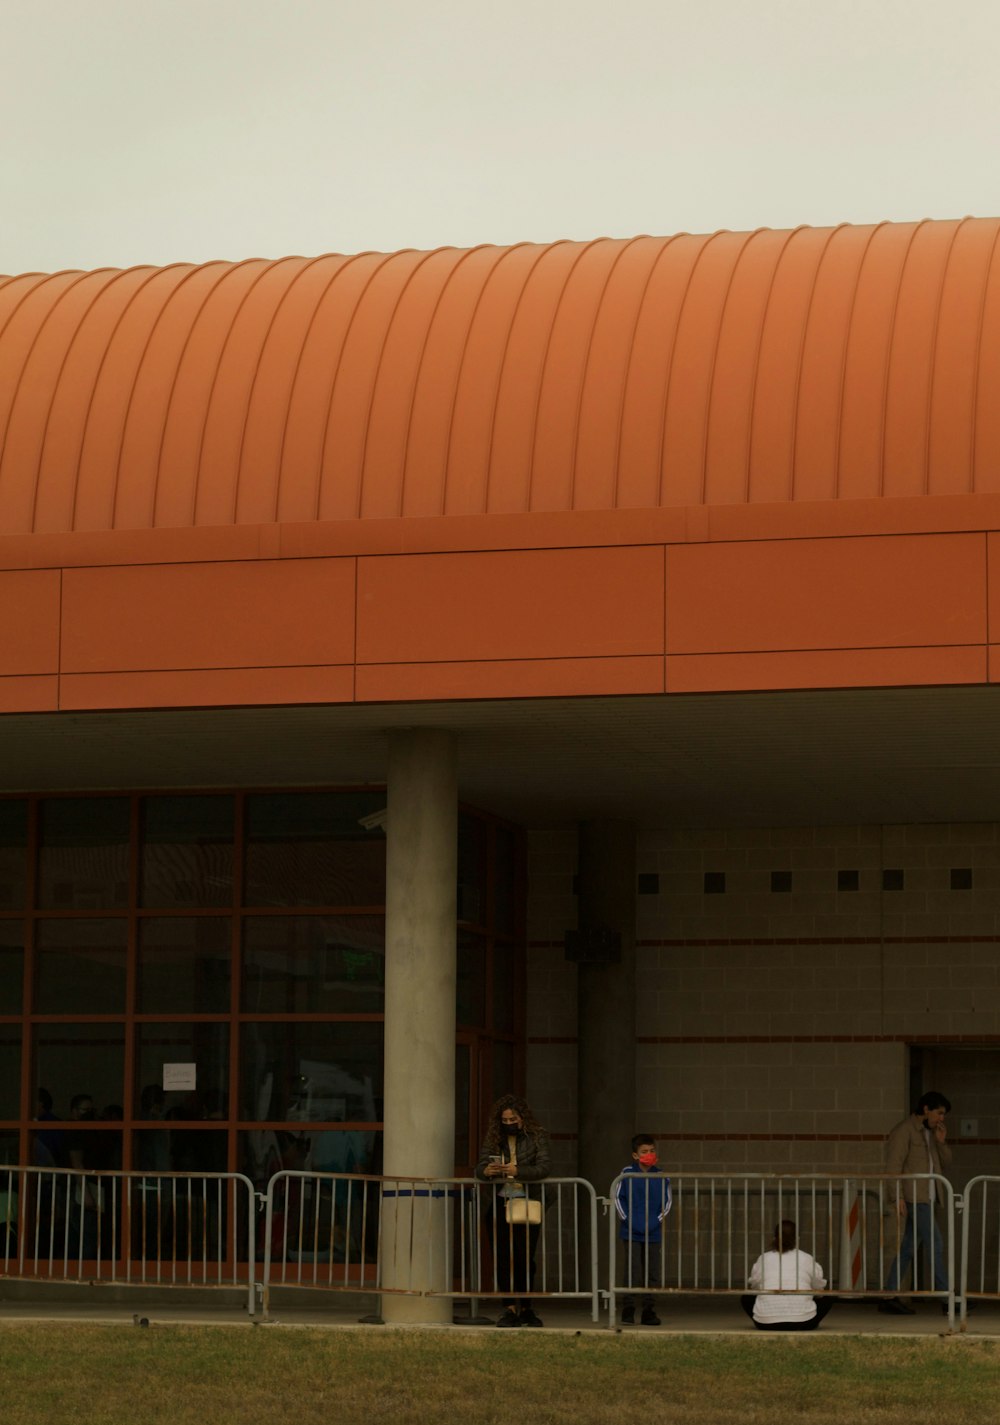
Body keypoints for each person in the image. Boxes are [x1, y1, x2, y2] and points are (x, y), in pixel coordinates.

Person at [475, 1094, 551, 1328]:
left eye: (513, 1119)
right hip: (498, 1201)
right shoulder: (494, 1138)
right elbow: (479, 1167)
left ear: (522, 1118)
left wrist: (517, 1170)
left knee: (525, 1257)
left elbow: (544, 1167)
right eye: (505, 1119)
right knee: (502, 1257)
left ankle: (527, 1306)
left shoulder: (537, 1136)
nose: (508, 1123)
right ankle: (508, 1308)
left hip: (527, 1202)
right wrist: (487, 1171)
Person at [879, 1090, 953, 1315]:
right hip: (915, 1197)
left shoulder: (930, 1134)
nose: (941, 1118)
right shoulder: (905, 1131)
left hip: (927, 1197)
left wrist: (941, 1142)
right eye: (939, 1113)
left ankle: (889, 1295)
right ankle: (947, 1298)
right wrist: (898, 1196)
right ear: (926, 1109)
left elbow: (945, 1161)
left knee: (908, 1249)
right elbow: (894, 1165)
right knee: (936, 1244)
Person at [614, 1134, 672, 1325]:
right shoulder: (626, 1174)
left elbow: (667, 1202)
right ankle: (628, 1309)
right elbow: (618, 1198)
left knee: (653, 1272)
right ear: (635, 1155)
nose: (649, 1154)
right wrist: (628, 1221)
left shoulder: (662, 1176)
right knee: (632, 1271)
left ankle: (649, 1310)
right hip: (630, 1231)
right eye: (644, 1152)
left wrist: (655, 1222)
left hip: (654, 1232)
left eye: (652, 1151)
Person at [741, 1220, 832, 1331]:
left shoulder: (764, 1258)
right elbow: (819, 1288)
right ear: (797, 1239)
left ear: (774, 1238)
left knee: (746, 1298)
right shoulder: (806, 1258)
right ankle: (805, 1316)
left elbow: (754, 1286)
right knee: (828, 1297)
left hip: (766, 1325)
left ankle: (767, 1317)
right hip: (804, 1323)